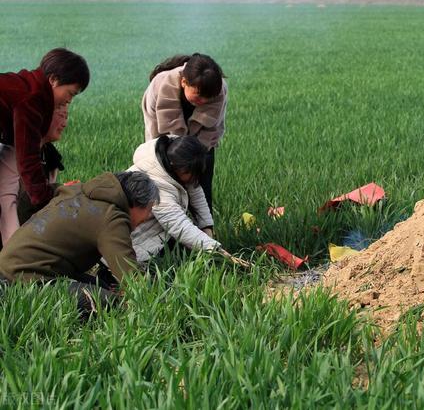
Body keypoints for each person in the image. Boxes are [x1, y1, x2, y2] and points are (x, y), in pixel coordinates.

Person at [0, 171, 159, 318]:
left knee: (101, 285)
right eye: (149, 209)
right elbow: (131, 278)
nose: (147, 217)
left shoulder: (77, 191)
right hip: (24, 279)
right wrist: (157, 300)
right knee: (110, 302)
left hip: (11, 263)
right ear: (138, 203)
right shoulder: (111, 217)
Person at [0, 48, 90, 245]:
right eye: (71, 93)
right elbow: (27, 158)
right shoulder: (32, 100)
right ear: (53, 80)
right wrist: (46, 197)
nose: (69, 101)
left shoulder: (25, 85)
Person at [129, 135, 244, 266]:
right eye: (191, 173)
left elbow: (195, 190)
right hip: (133, 248)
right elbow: (179, 225)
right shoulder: (155, 184)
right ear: (175, 166)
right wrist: (221, 254)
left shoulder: (174, 159)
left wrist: (207, 227)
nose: (194, 178)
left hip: (154, 238)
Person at [141, 53, 227, 215]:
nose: (204, 100)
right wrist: (165, 160)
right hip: (162, 134)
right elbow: (154, 133)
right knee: (165, 185)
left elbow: (213, 129)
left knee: (201, 184)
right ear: (183, 82)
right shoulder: (160, 86)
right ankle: (166, 227)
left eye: (209, 98)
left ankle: (204, 230)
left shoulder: (219, 90)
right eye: (199, 94)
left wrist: (195, 158)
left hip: (202, 141)